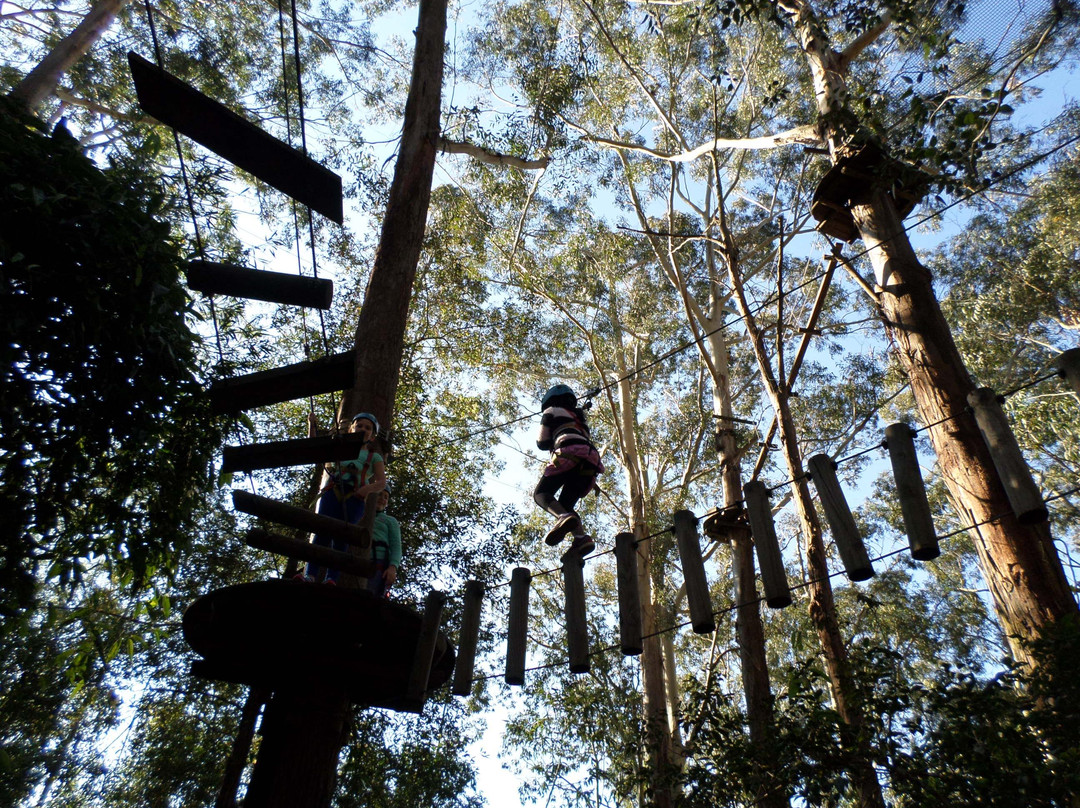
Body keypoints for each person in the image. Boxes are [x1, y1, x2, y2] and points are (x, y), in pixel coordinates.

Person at [298, 410, 386, 584]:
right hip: (333, 493)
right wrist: (311, 424)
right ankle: (310, 574)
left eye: (368, 428)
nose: (363, 429)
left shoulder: (373, 456)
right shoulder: (339, 447)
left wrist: (367, 489)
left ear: (372, 437)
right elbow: (315, 448)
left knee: (342, 538)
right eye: (359, 425)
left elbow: (381, 482)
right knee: (321, 532)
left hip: (355, 498)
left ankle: (331, 578)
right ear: (350, 429)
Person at [533, 384, 603, 555]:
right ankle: (581, 539)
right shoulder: (580, 419)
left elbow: (541, 442)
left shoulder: (550, 410)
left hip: (569, 453)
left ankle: (563, 518)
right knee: (565, 505)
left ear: (550, 400)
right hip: (591, 461)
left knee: (541, 494)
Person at [369, 485, 401, 597]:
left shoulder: (390, 521)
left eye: (386, 497)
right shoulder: (360, 514)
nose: (382, 499)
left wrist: (393, 567)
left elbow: (396, 547)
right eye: (379, 494)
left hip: (378, 565)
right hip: (356, 559)